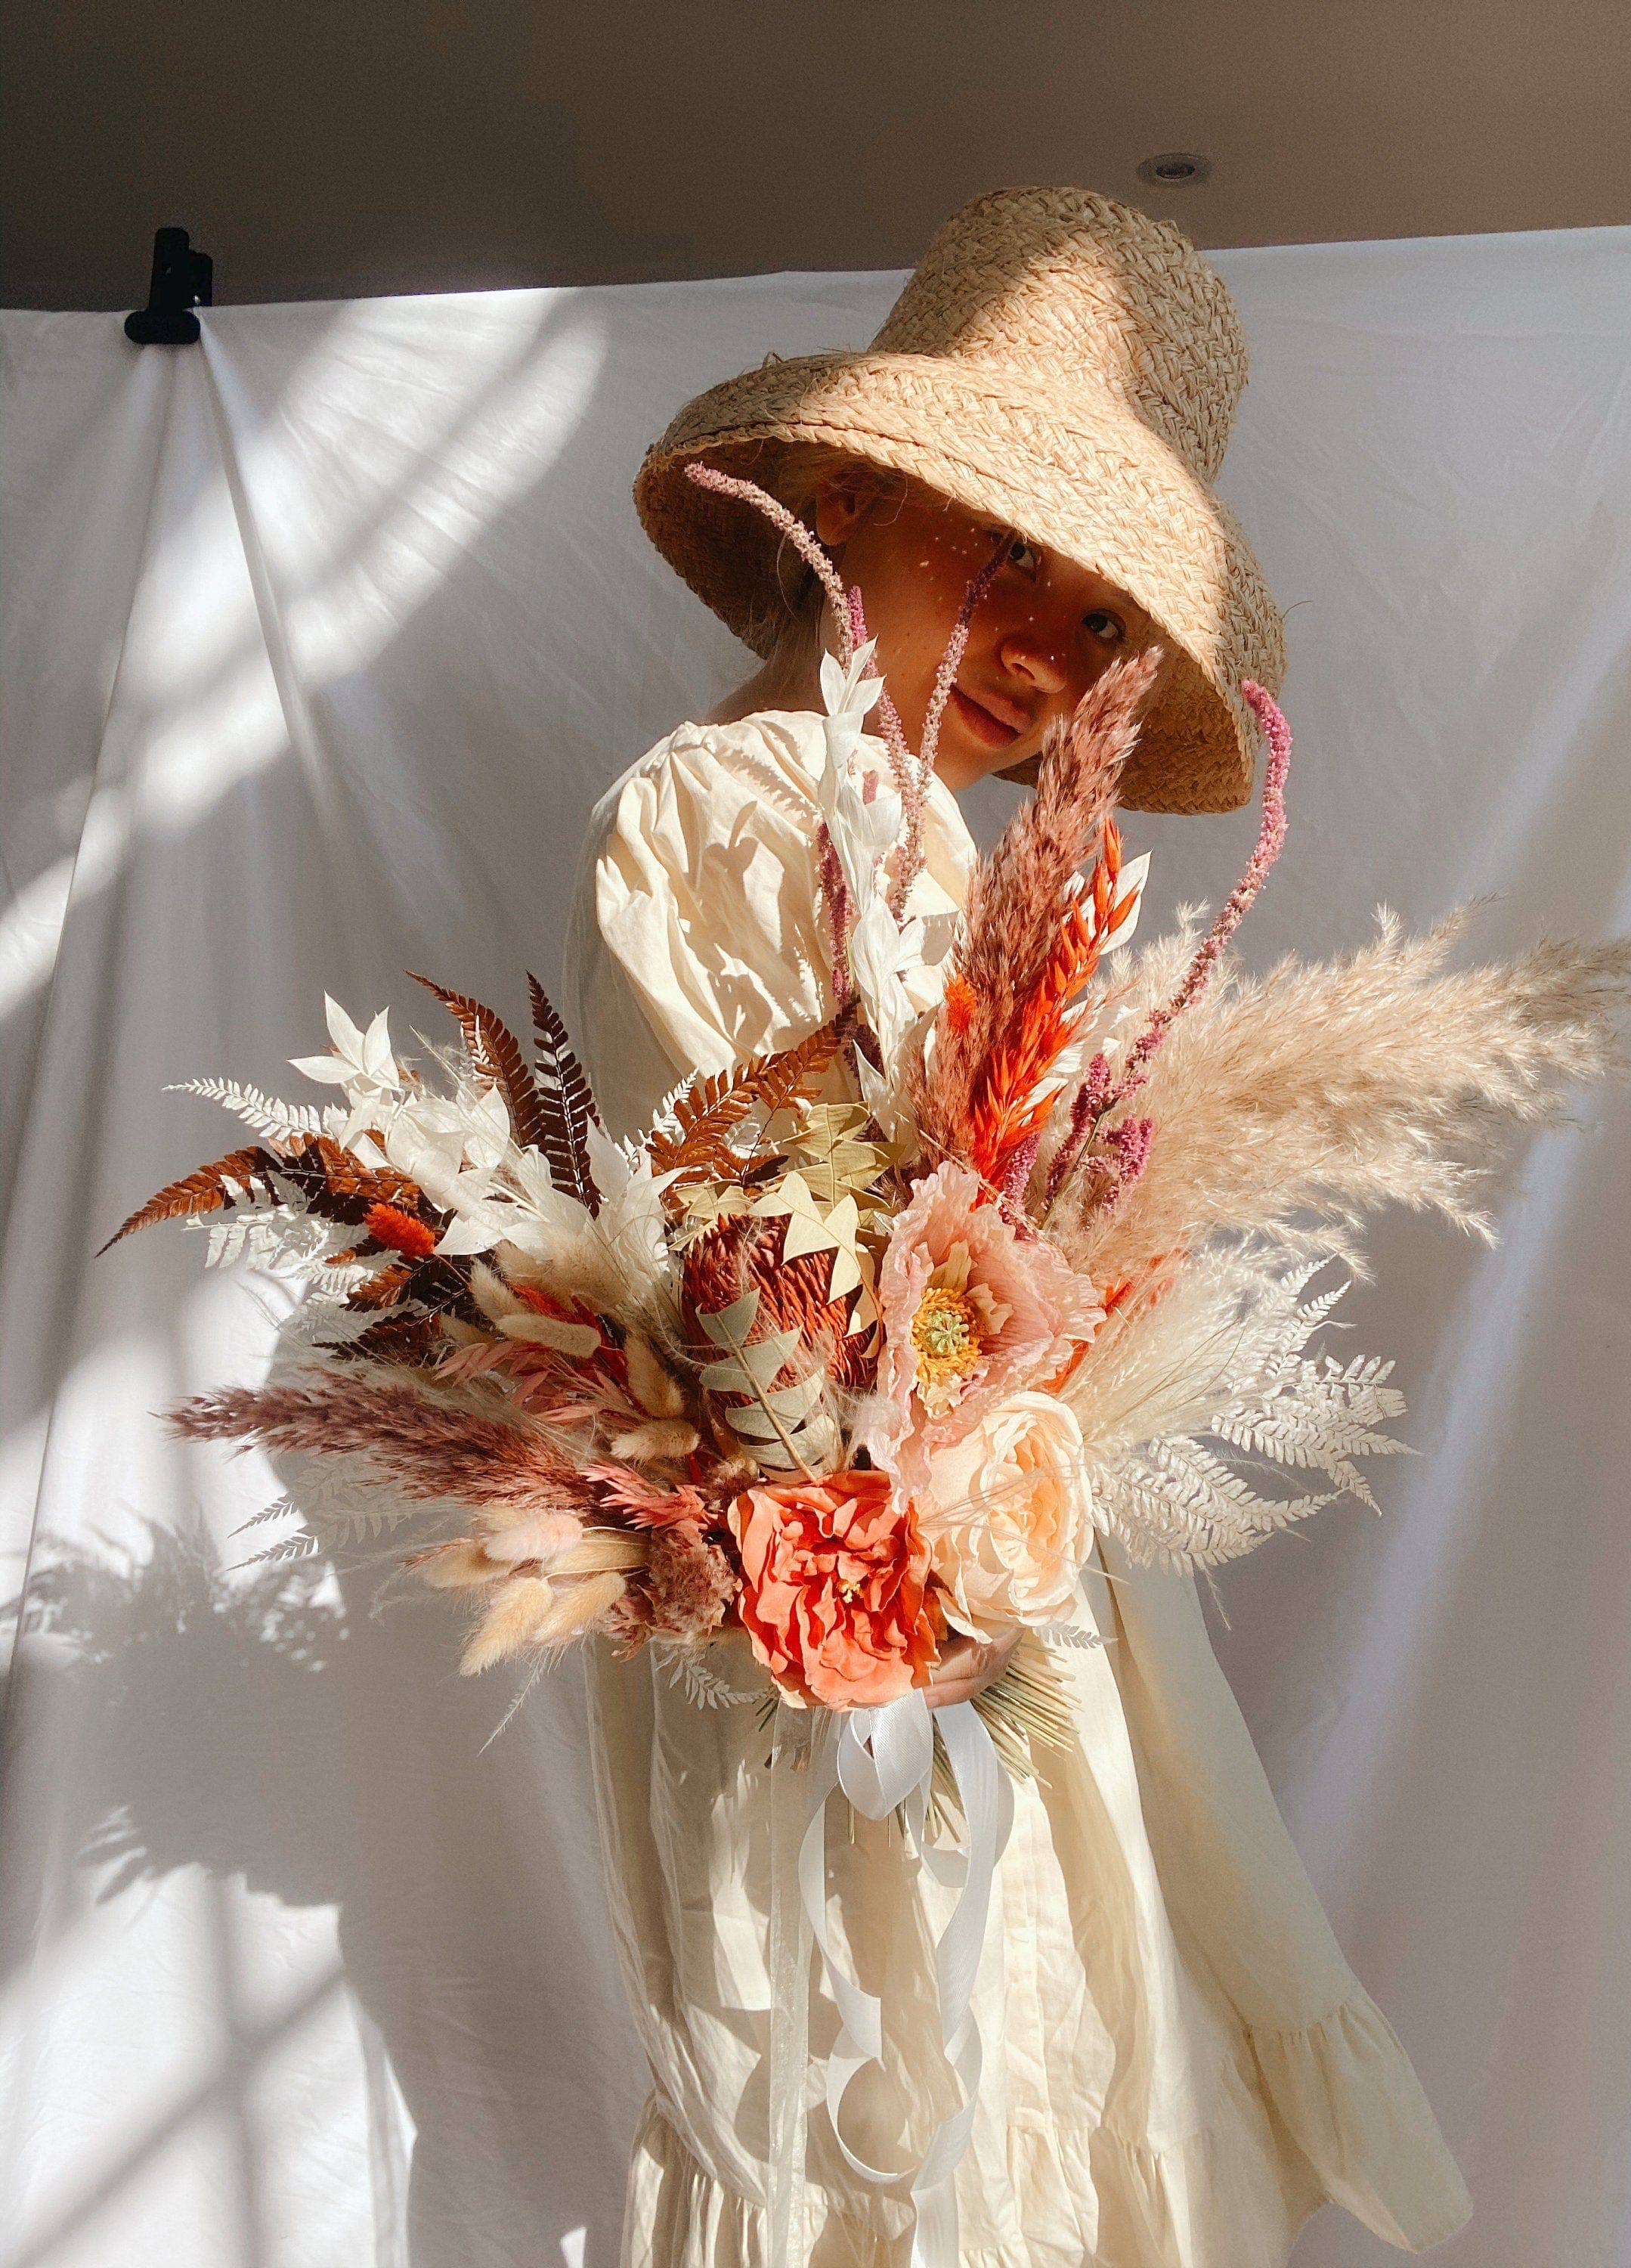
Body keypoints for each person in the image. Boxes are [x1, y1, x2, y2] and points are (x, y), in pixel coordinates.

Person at [561, 186, 1472, 2267]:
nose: (1045, 649)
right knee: (910, 2080)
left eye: (1100, 623)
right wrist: (928, 1446)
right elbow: (745, 1255)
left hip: (957, 1586)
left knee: (1027, 2067)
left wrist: (1046, 1325)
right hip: (842, 1618)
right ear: (846, 500)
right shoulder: (733, 807)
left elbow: (949, 1230)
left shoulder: (921, 845)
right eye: (1005, 554)